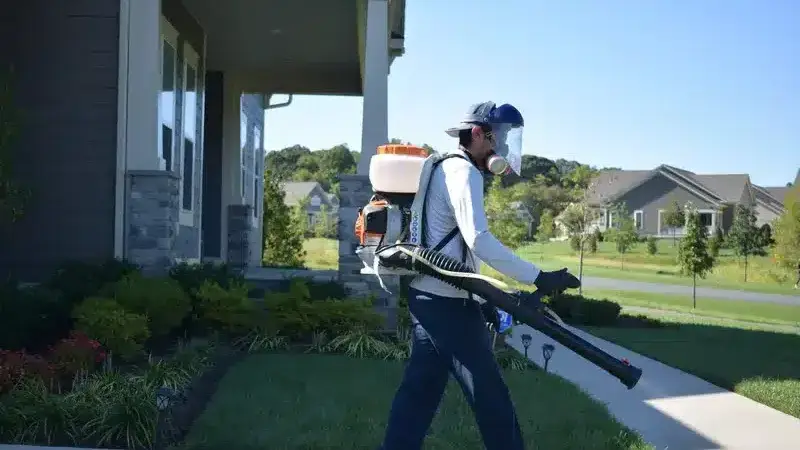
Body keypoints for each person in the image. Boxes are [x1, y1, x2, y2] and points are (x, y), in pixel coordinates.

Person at [379, 102, 580, 450]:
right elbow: (479, 241)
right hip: (446, 303)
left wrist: (480, 298)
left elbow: (456, 249)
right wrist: (539, 277)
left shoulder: (443, 166)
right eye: (497, 137)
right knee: (491, 397)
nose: (501, 147)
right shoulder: (463, 172)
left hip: (430, 296)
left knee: (419, 393)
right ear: (476, 134)